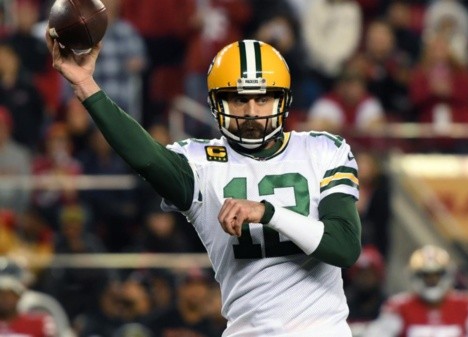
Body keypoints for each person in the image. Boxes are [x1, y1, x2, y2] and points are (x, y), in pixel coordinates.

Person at [47, 34, 362, 336]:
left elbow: (344, 248)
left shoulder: (323, 150)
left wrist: (267, 212)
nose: (252, 111)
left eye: (263, 98)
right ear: (216, 103)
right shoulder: (201, 163)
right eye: (238, 99)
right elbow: (145, 157)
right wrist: (86, 85)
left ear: (284, 99)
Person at [363, 245, 468, 337]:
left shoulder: (465, 305)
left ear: (447, 275)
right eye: (426, 276)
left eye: (436, 275)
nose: (431, 281)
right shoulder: (399, 306)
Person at [145, 268, 223, 337]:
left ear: (207, 290)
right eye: (190, 284)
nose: (195, 290)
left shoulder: (214, 327)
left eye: (200, 285)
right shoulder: (159, 321)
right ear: (179, 288)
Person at [0, 268, 56, 337]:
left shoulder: (39, 322)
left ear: (18, 297)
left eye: (9, 295)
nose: (4, 299)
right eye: (1, 295)